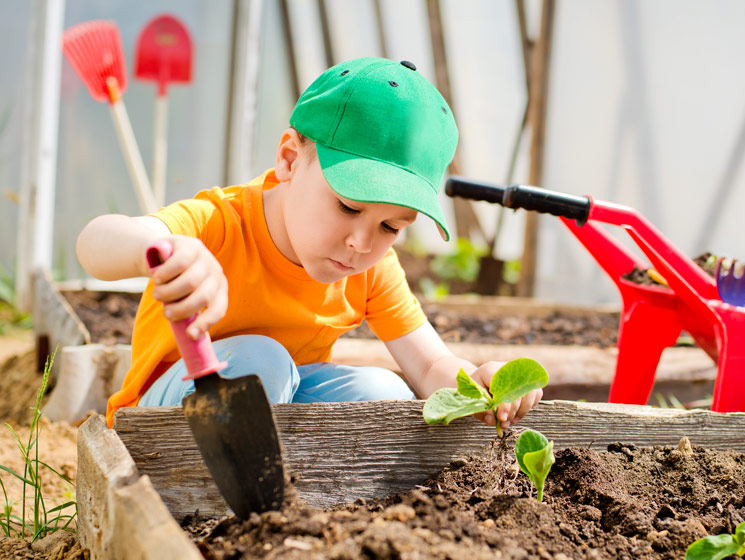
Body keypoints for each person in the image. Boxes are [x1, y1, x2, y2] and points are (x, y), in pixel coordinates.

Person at [76, 57, 543, 428]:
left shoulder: (372, 268)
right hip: (169, 413)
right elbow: (95, 242)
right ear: (289, 160)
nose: (362, 242)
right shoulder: (221, 223)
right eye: (348, 206)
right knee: (264, 361)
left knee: (387, 395)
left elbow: (428, 366)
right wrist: (164, 253)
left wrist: (478, 384)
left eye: (391, 227)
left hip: (281, 404)